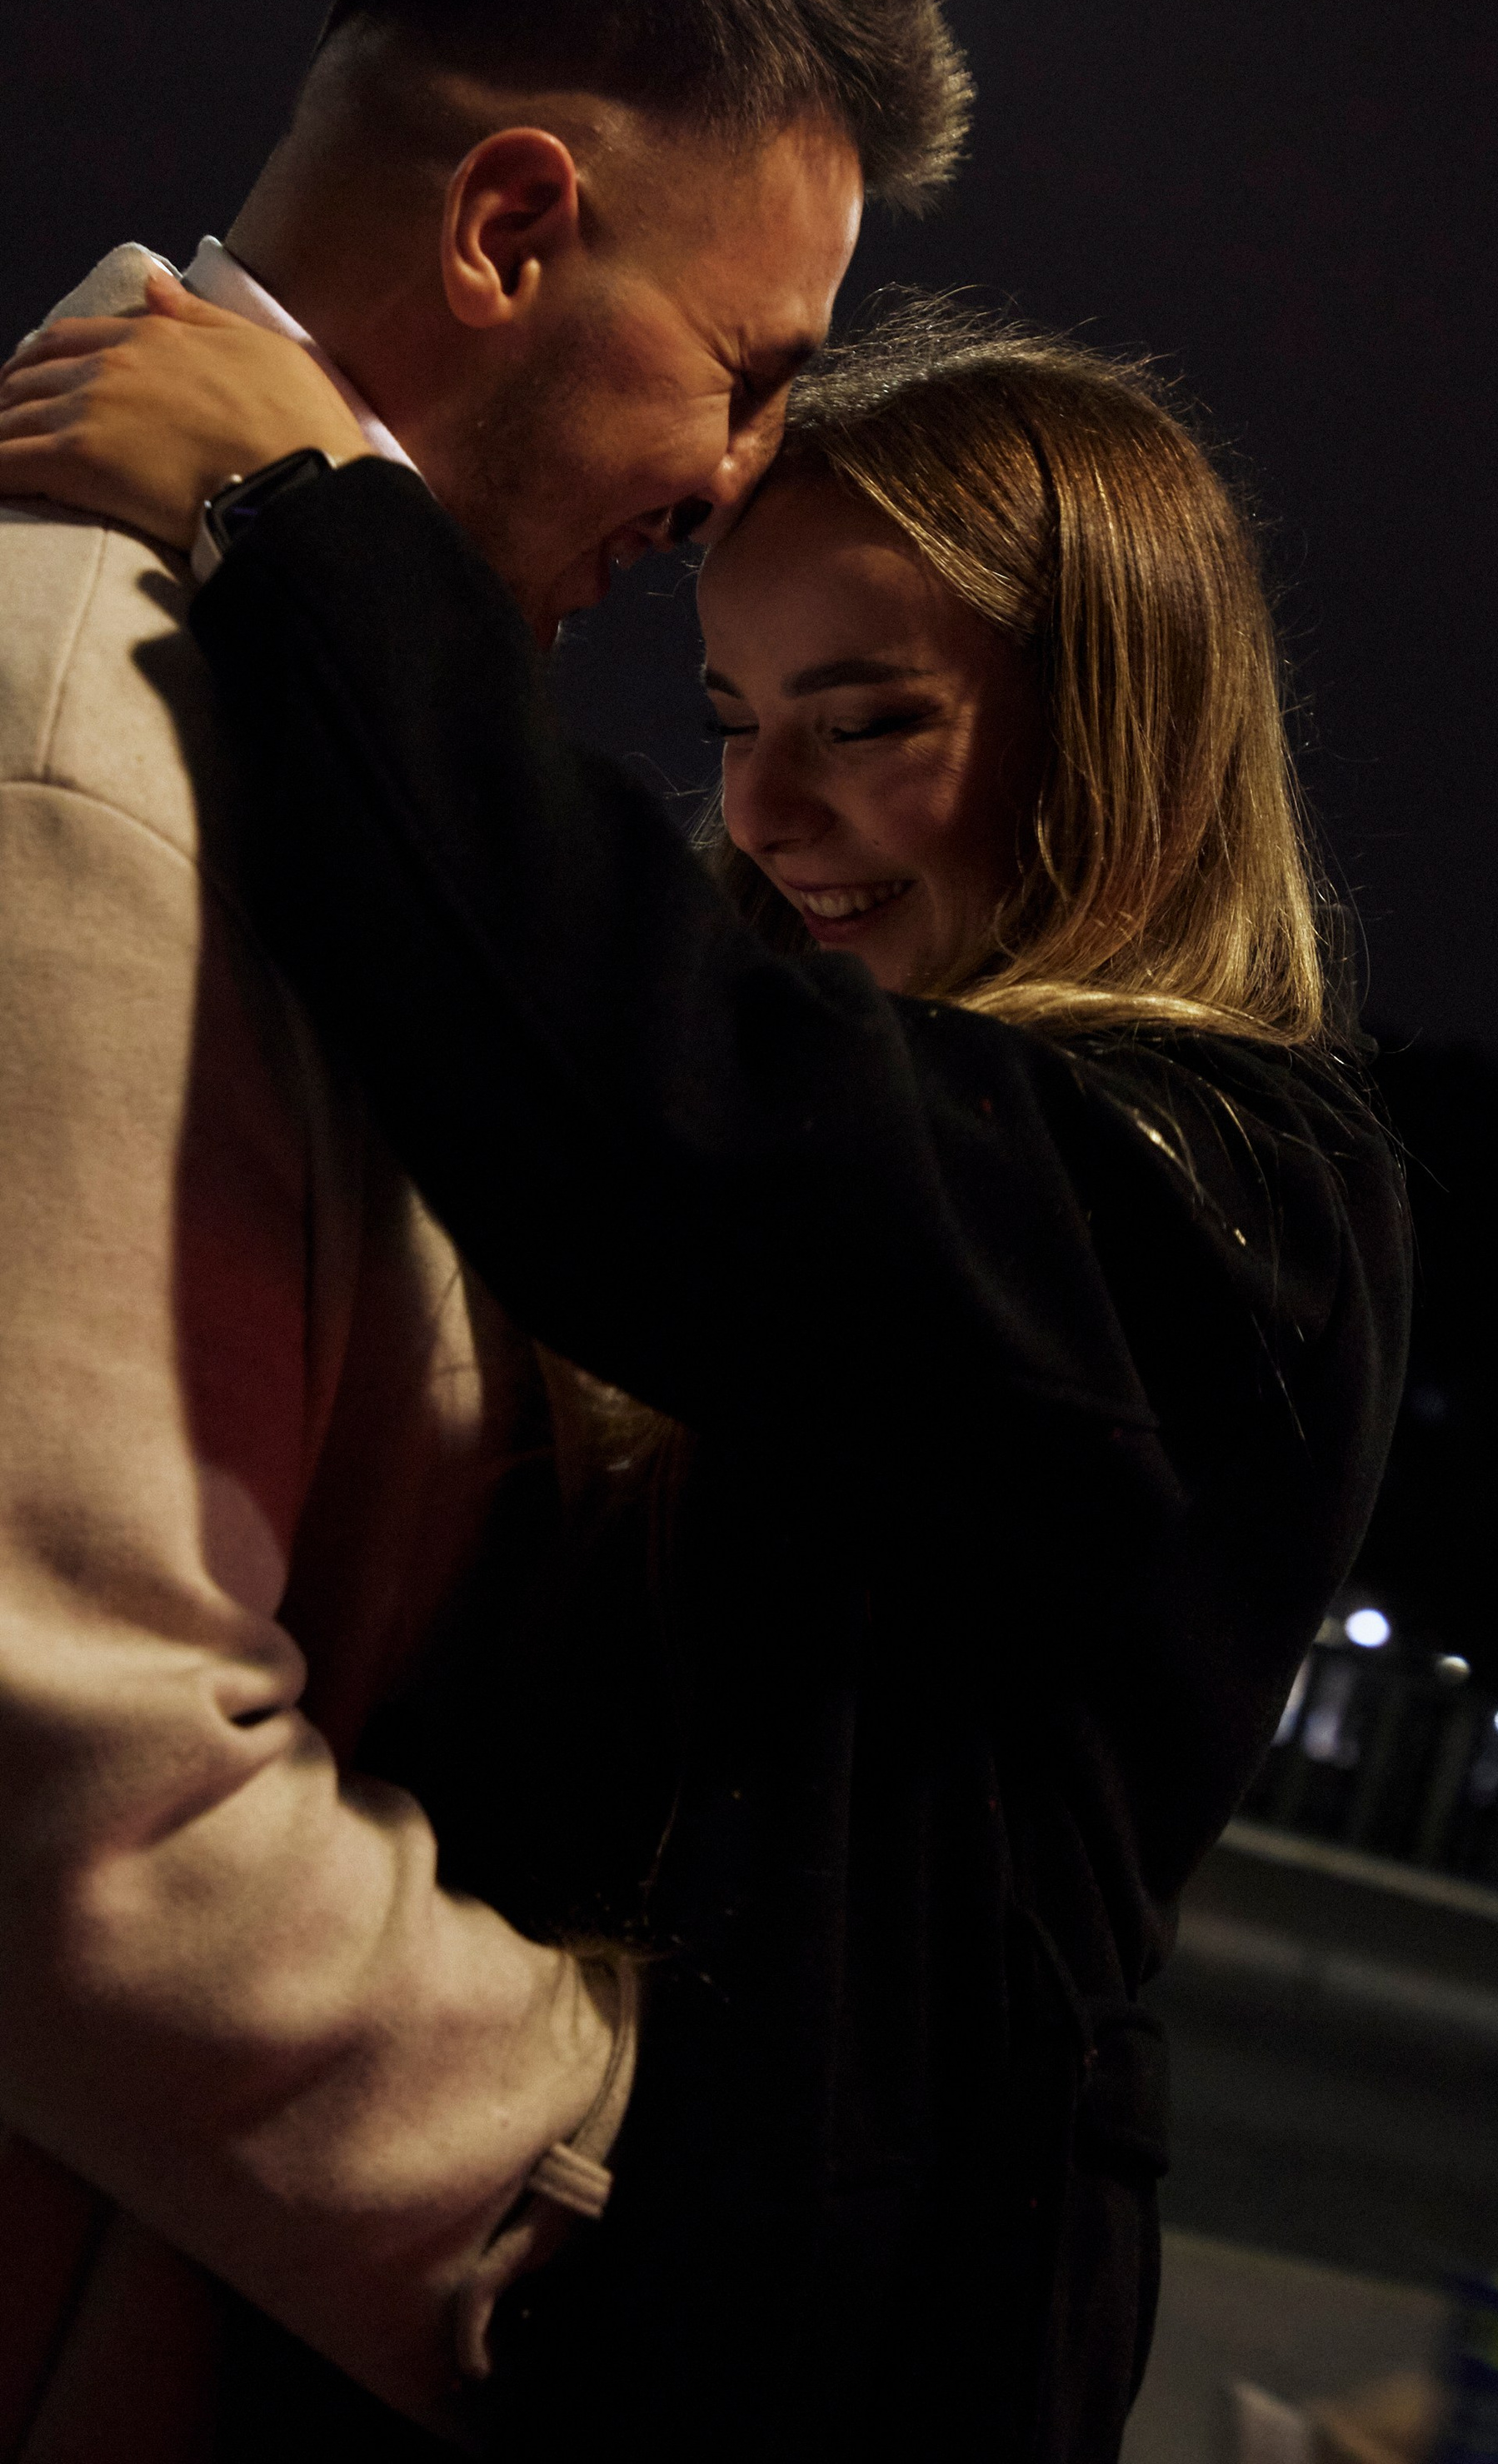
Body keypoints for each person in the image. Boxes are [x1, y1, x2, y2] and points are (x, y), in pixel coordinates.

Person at [0, 294, 1411, 2462]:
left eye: (865, 721)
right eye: (737, 714)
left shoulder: (1228, 1204)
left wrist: (302, 513)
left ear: (1117, 722)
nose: (764, 810)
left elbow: (653, 1109)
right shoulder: (941, 1139)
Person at [0, 0, 969, 2450]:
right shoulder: (98, 734)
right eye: (750, 367)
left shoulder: (237, 700)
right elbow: (71, 1784)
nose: (752, 477)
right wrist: (629, 2137)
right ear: (512, 233)